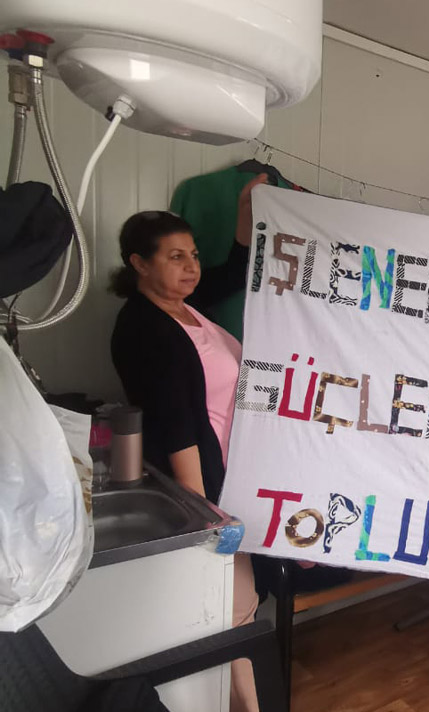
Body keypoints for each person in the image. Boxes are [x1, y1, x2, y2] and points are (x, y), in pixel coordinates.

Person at [109, 175, 266, 712]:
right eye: (175, 257)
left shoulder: (185, 308)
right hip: (203, 489)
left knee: (236, 609)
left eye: (193, 254)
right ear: (139, 263)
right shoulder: (145, 328)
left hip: (228, 476)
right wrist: (206, 517)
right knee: (231, 608)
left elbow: (234, 270)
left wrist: (244, 211)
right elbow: (176, 427)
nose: (191, 266)